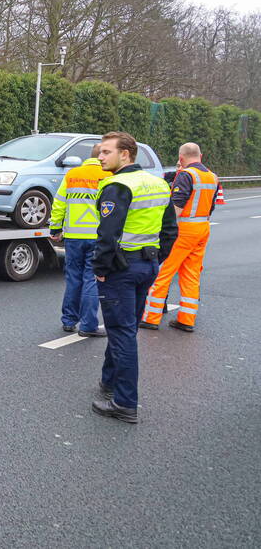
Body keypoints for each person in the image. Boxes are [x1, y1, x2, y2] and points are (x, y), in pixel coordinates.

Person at [90, 131, 177, 424]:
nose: (100, 157)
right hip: (146, 265)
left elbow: (107, 235)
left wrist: (101, 270)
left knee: (122, 332)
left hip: (121, 269)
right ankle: (108, 382)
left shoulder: (117, 185)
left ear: (124, 155)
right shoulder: (158, 183)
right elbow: (169, 230)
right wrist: (155, 257)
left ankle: (125, 403)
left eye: (105, 152)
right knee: (124, 329)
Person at [141, 143, 217, 332]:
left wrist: (161, 227)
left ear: (181, 159)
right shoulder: (212, 176)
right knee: (191, 274)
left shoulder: (186, 175)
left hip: (183, 229)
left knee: (163, 271)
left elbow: (176, 207)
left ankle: (151, 317)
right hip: (202, 227)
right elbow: (211, 206)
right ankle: (186, 319)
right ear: (202, 155)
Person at [49, 144, 111, 336]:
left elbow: (59, 202)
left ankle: (68, 321)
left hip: (74, 236)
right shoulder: (109, 176)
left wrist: (55, 228)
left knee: (73, 278)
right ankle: (89, 325)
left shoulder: (72, 175)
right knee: (91, 280)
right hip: (97, 237)